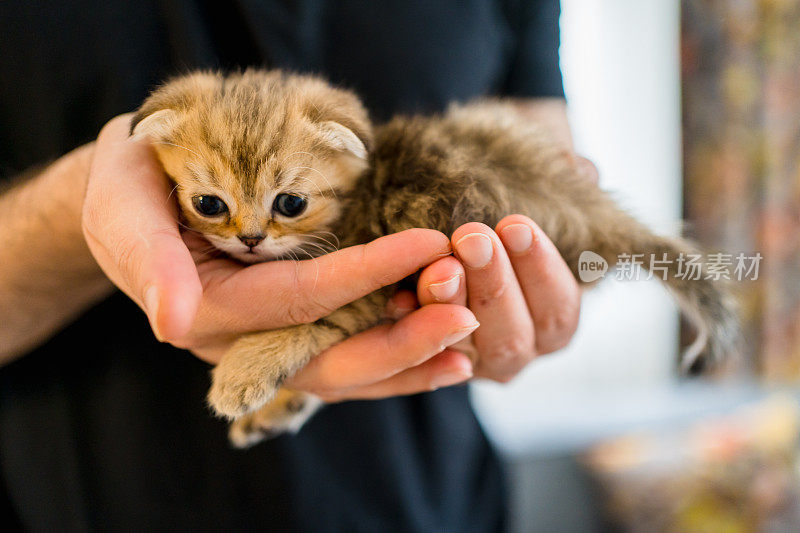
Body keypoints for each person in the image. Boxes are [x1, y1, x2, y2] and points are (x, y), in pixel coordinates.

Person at [0, 1, 589, 531]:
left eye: (286, 205)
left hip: (430, 497)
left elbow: (558, 216)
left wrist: (539, 280)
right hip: (89, 494)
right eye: (211, 206)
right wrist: (77, 213)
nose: (250, 238)